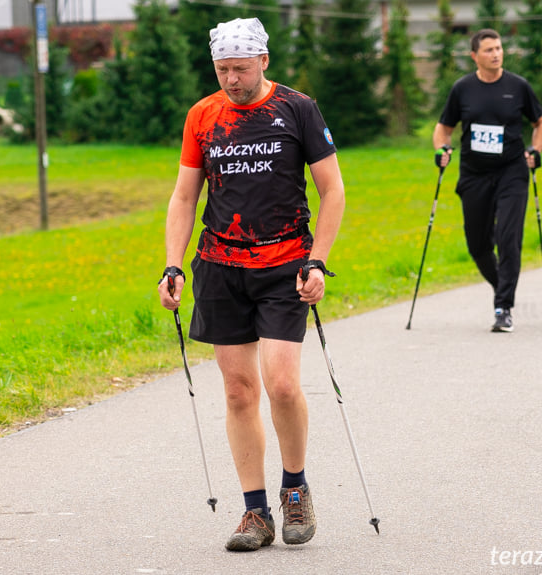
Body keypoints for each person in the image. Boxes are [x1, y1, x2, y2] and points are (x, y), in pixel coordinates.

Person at [158, 17, 345, 552]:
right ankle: (255, 511)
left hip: (285, 263)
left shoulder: (297, 108)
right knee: (239, 390)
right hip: (220, 267)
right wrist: (173, 265)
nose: (232, 80)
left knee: (282, 383)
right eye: (222, 70)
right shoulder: (203, 115)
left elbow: (332, 191)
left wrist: (318, 261)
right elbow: (183, 197)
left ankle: (295, 489)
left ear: (264, 61)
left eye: (240, 68)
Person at [433, 28, 542, 332]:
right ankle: (504, 287)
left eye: (498, 48)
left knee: (507, 238)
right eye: (488, 50)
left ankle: (503, 307)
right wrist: (441, 149)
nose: (496, 54)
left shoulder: (518, 86)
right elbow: (443, 128)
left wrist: (535, 149)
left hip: (512, 171)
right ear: (474, 56)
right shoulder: (463, 89)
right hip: (474, 174)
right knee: (478, 244)